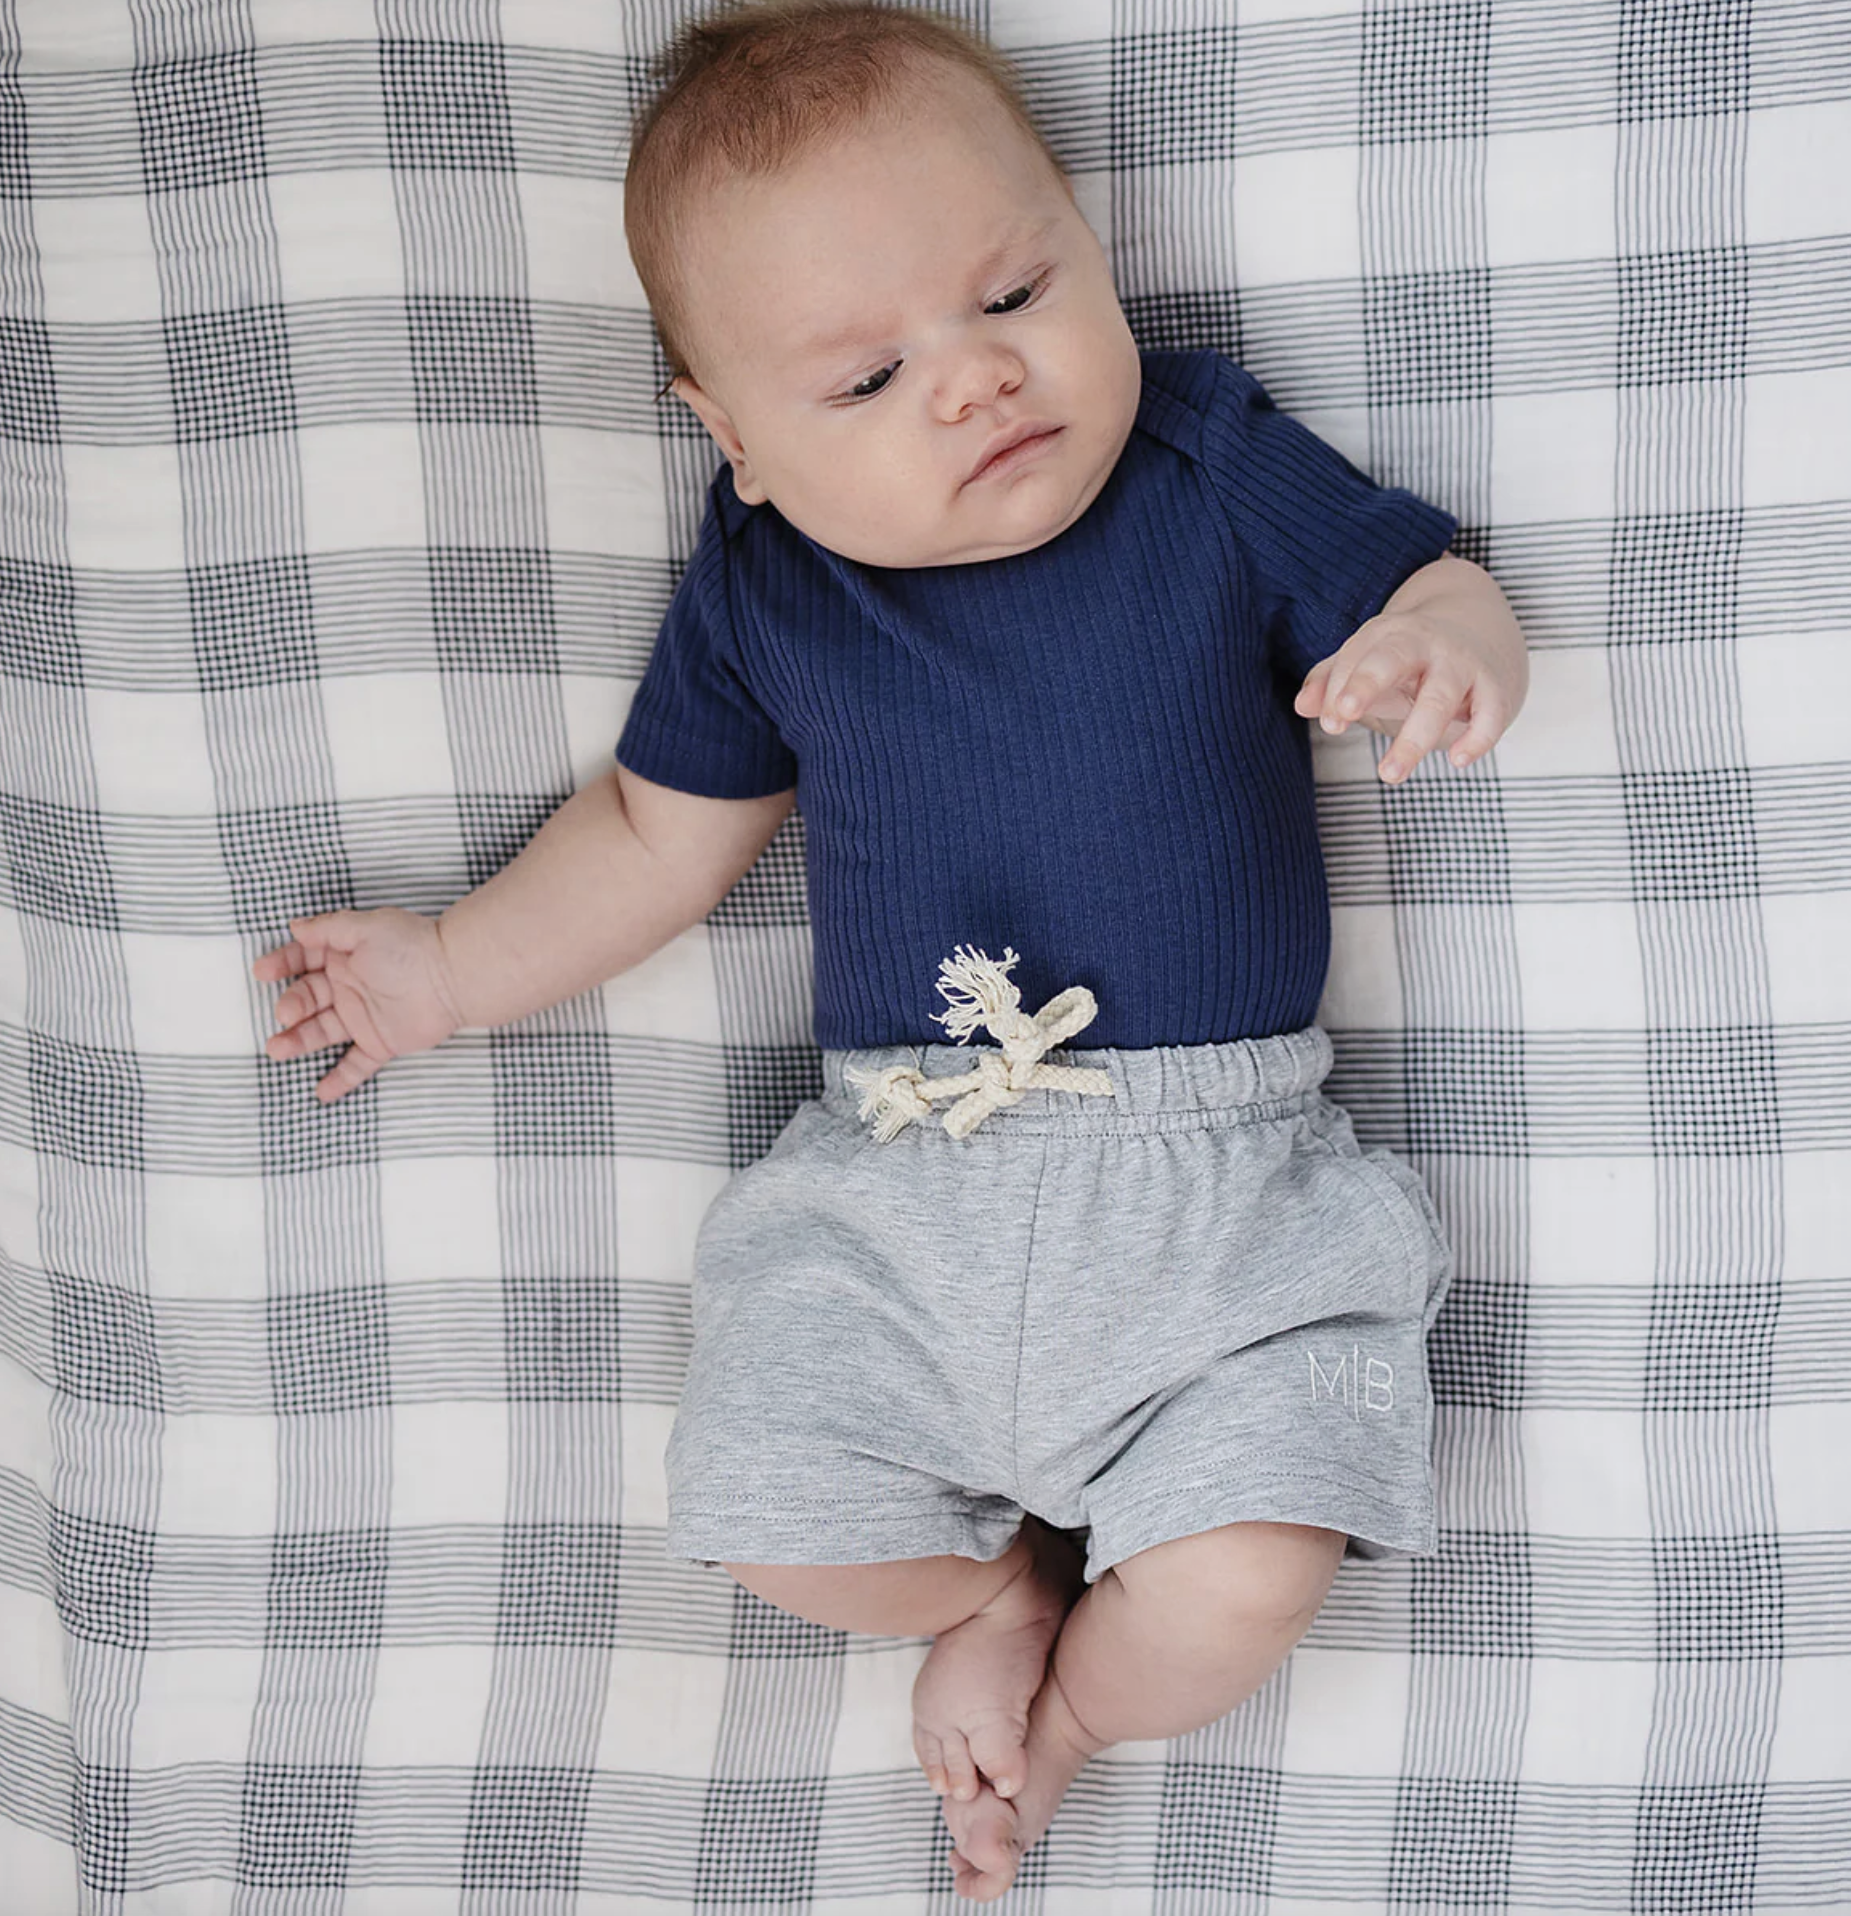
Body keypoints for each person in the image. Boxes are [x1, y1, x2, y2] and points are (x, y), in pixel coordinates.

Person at [253, 2, 1528, 1899]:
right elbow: (651, 835)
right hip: (900, 1197)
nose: (974, 378)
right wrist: (446, 972)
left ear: (1088, 237)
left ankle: (1065, 1714)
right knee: (770, 1523)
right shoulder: (771, 582)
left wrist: (1445, 645)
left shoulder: (1200, 463)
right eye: (864, 379)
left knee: (1252, 1577)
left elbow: (1427, 576)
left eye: (1015, 292)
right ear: (736, 441)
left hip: (1222, 1206)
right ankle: (995, 1587)